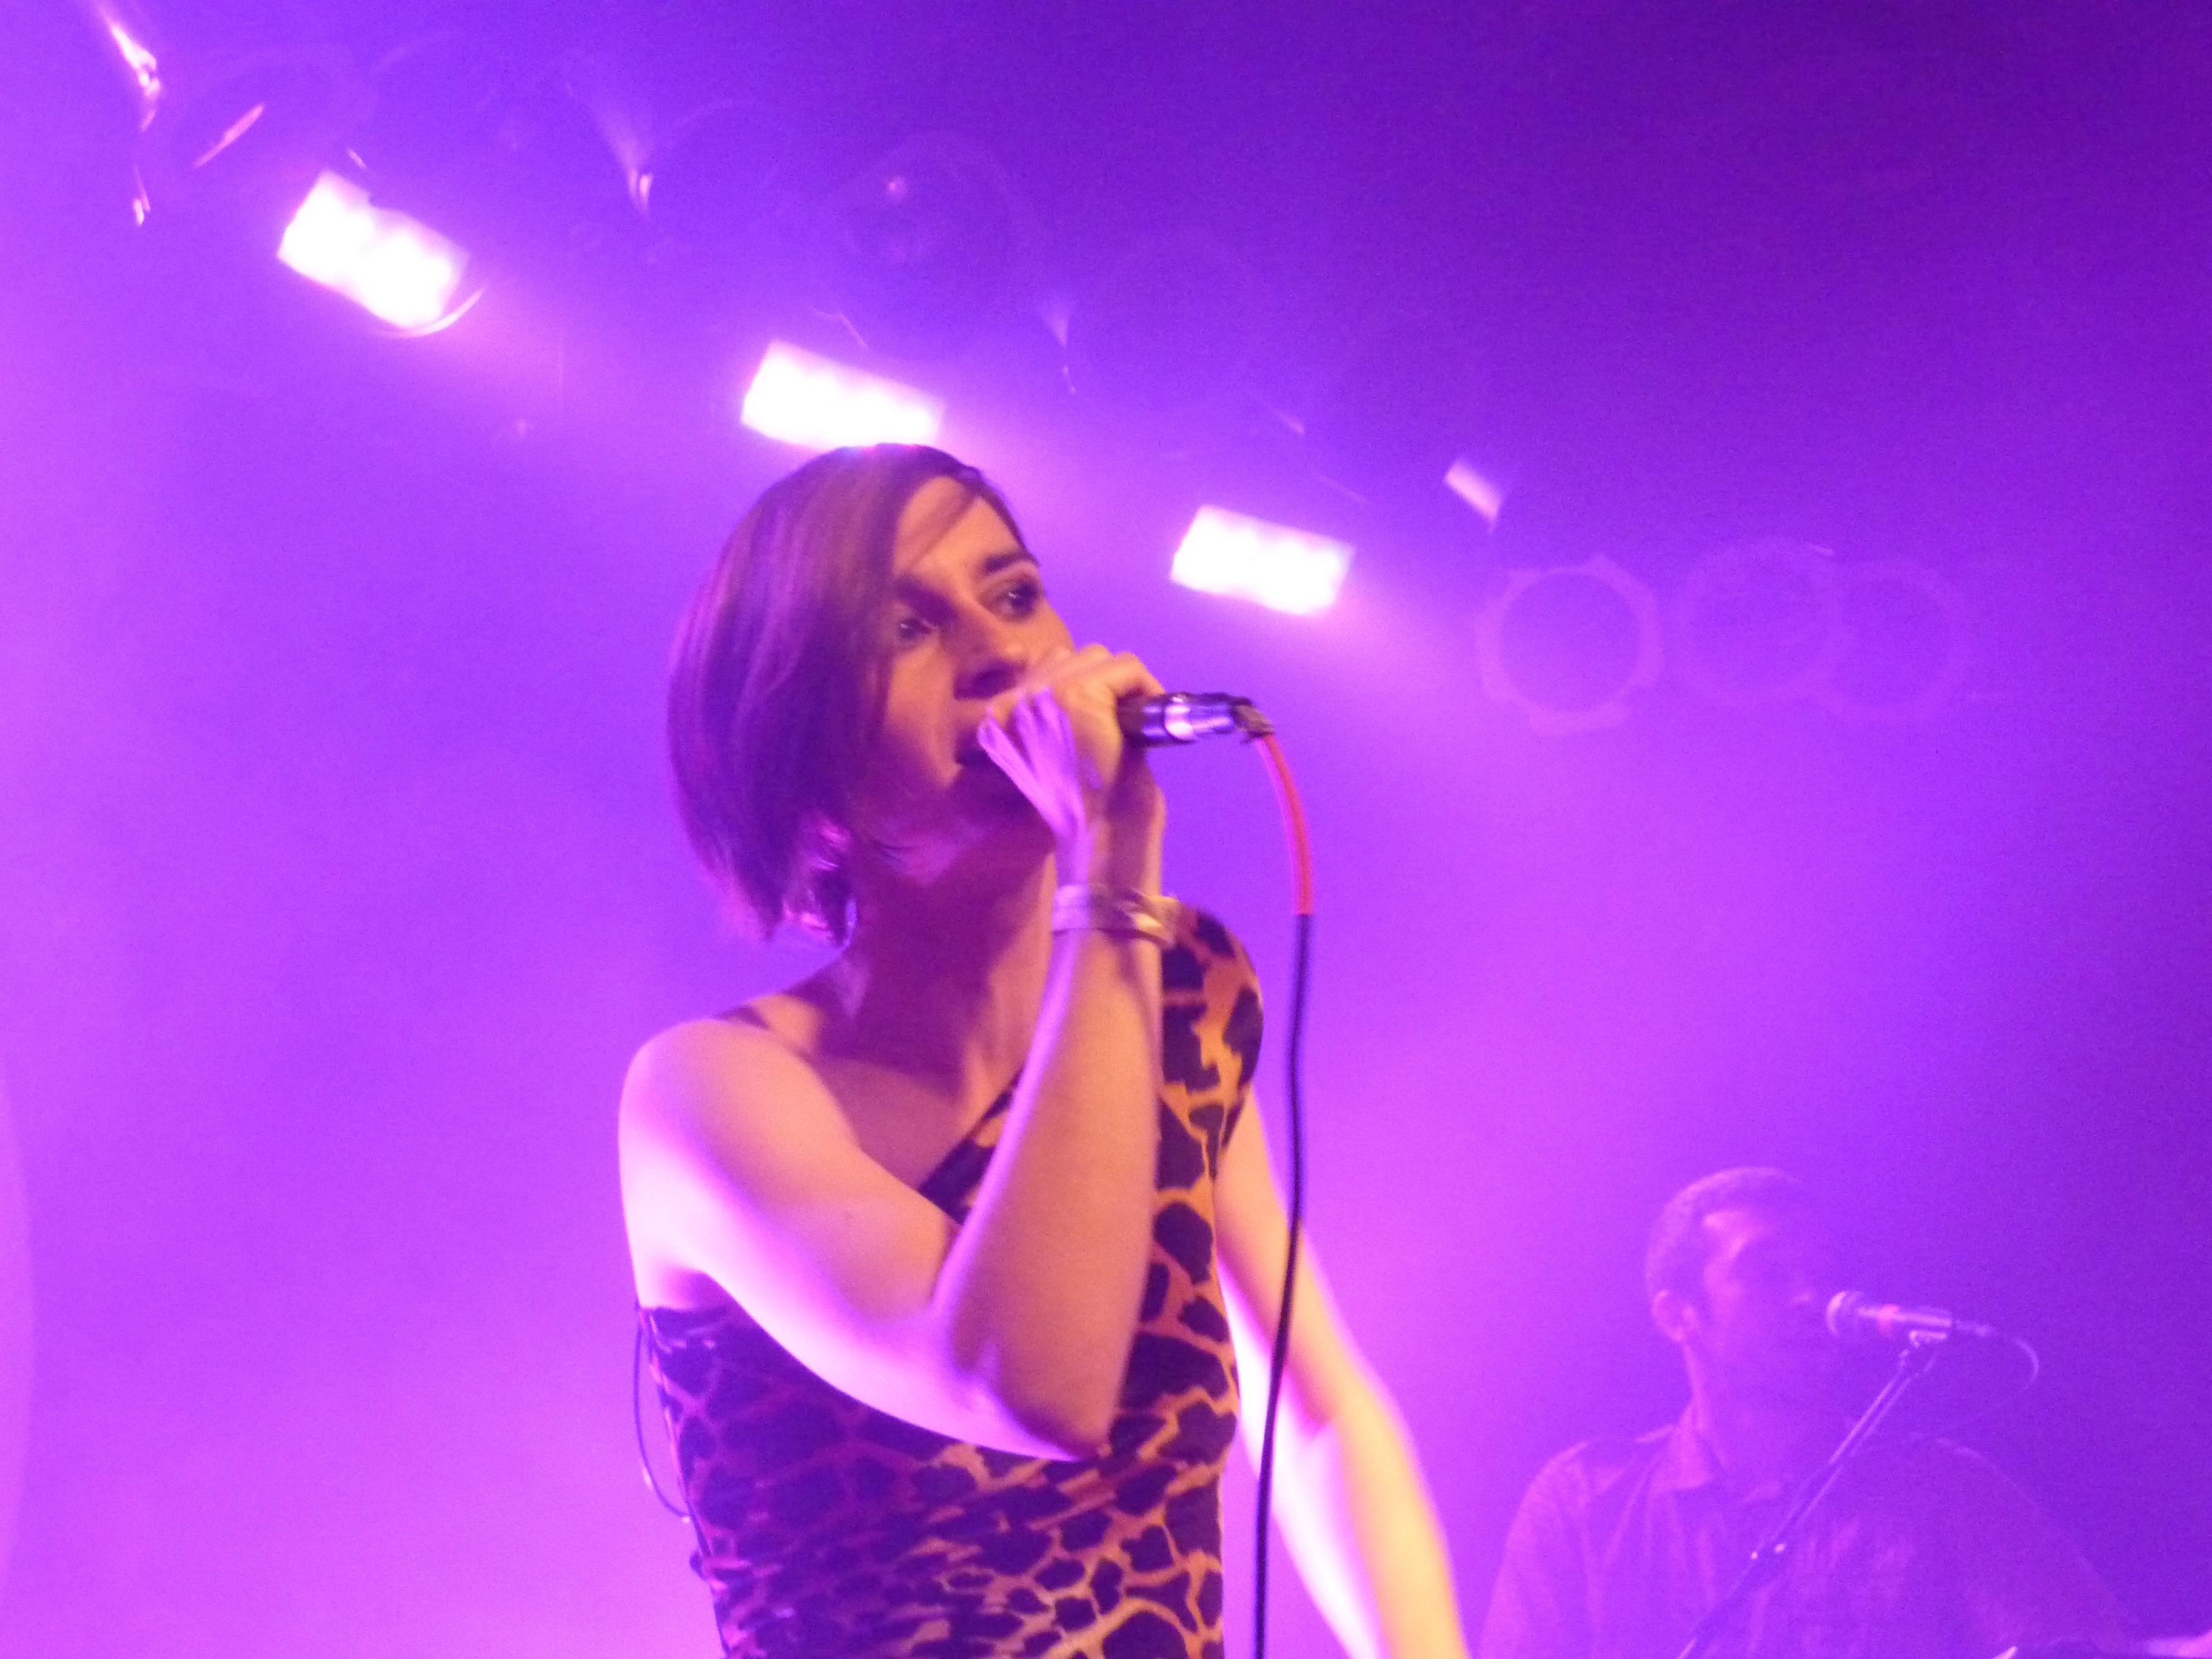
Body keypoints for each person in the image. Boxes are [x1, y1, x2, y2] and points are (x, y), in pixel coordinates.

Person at [619, 444, 1468, 1659]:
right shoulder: (713, 1093)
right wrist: (1109, 881)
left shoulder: (1179, 991)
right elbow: (1028, 1384)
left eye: (1014, 594)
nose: (1005, 652)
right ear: (806, 782)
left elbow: (1317, 1409)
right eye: (906, 630)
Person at [1477, 1167, 2131, 1659]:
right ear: (1678, 1315)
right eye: (1766, 1273)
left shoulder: (1944, 1492)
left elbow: (2080, 1647)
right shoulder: (1588, 1502)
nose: (1811, 1297)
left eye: (1821, 1271)